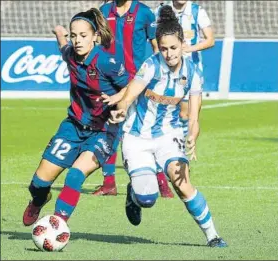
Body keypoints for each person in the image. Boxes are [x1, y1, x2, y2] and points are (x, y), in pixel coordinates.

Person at [109, 5, 227, 247]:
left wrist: (192, 138)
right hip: (136, 137)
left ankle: (213, 236)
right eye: (163, 48)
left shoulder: (193, 73)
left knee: (182, 184)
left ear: (182, 44)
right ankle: (134, 196)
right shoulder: (150, 66)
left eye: (173, 48)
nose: (169, 53)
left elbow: (194, 117)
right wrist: (120, 110)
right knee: (148, 198)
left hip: (168, 135)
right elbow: (130, 95)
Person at [22, 8, 130, 225]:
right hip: (73, 127)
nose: (77, 41)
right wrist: (60, 33)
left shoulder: (107, 63)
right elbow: (63, 46)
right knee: (38, 184)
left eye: (83, 36)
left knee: (75, 175)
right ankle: (40, 199)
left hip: (104, 130)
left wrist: (122, 107)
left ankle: (58, 223)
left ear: (95, 37)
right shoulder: (70, 54)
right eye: (74, 36)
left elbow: (129, 87)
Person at [92, 0, 174, 198]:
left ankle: (162, 183)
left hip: (137, 81)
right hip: (109, 80)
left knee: (145, 131)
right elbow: (98, 43)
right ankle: (109, 183)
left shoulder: (144, 13)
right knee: (108, 131)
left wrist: (153, 74)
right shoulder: (104, 11)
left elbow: (157, 47)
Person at [154, 0, 215, 140]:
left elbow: (210, 40)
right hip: (166, 69)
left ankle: (180, 148)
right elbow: (154, 38)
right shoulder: (161, 10)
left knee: (184, 114)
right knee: (163, 110)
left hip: (189, 71)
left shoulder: (197, 11)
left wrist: (189, 48)